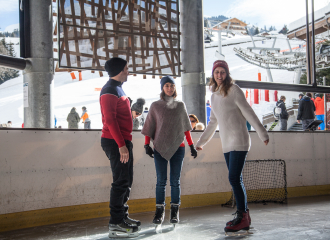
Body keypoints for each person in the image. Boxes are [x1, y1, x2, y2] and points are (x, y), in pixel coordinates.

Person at [195, 60, 269, 234]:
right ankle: (245, 216)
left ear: (227, 74)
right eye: (216, 72)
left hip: (239, 141)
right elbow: (213, 122)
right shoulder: (213, 94)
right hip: (227, 143)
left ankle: (242, 216)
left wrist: (262, 133)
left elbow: (248, 111)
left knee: (234, 178)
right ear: (213, 74)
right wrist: (201, 142)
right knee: (236, 179)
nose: (219, 75)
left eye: (222, 72)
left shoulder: (234, 90)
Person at [141, 76, 198, 228]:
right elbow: (150, 126)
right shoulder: (155, 106)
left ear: (174, 88)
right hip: (159, 148)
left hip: (178, 148)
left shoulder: (180, 105)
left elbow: (185, 128)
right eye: (166, 85)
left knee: (175, 181)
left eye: (172, 85)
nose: (169, 88)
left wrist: (191, 145)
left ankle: (174, 211)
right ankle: (159, 212)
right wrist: (147, 145)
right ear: (162, 88)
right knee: (161, 181)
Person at [100, 57, 140, 237]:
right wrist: (121, 145)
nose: (128, 71)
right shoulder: (109, 90)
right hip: (116, 142)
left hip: (123, 141)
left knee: (127, 180)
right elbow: (110, 120)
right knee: (120, 181)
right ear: (119, 70)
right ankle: (115, 222)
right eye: (126, 68)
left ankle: (123, 216)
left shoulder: (117, 88)